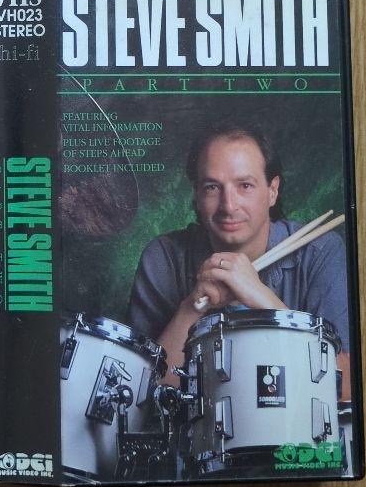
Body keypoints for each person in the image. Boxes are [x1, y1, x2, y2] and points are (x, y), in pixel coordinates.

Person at [127, 122, 352, 397]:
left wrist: (261, 298)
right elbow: (142, 397)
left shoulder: (319, 251)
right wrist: (192, 308)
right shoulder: (163, 257)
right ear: (196, 194)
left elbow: (345, 389)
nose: (229, 206)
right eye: (212, 187)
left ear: (272, 190)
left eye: (245, 185)